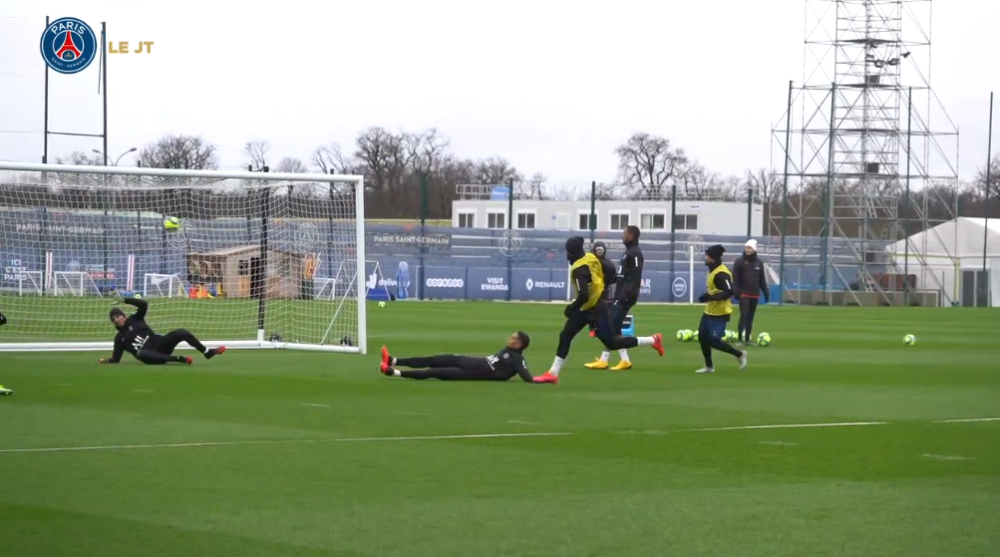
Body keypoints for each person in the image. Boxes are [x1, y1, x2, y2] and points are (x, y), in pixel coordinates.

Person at [534, 236, 662, 385]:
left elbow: (583, 295)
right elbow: (608, 273)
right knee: (572, 336)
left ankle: (653, 340)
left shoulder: (579, 269)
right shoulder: (591, 257)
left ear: (572, 253)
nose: (567, 255)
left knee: (605, 341)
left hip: (588, 308)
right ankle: (553, 373)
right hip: (597, 305)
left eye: (568, 252)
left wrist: (570, 308)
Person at [98, 293, 225, 365]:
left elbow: (144, 304)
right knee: (141, 353)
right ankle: (179, 359)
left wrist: (125, 300)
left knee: (182, 333)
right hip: (149, 356)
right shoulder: (119, 339)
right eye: (114, 319)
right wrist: (107, 361)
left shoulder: (135, 319)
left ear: (124, 316)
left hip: (160, 344)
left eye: (118, 316)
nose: (116, 320)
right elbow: (116, 359)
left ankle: (207, 352)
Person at [586, 226, 644, 371]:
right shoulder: (629, 252)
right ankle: (618, 360)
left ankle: (651, 341)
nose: (623, 235)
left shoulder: (635, 253)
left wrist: (624, 296)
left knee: (611, 326)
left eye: (625, 233)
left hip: (625, 297)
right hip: (621, 295)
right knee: (613, 327)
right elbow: (623, 277)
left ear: (631, 235)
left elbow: (635, 277)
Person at [379, 332, 535, 382]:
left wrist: (547, 378)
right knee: (433, 360)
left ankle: (394, 372)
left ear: (519, 344)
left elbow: (527, 377)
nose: (510, 338)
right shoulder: (507, 351)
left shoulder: (517, 359)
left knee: (433, 372)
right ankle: (393, 361)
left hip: (471, 373)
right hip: (465, 361)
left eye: (513, 338)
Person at [696, 245, 747, 374]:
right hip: (710, 311)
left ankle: (740, 354)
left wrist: (710, 297)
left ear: (712, 258)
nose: (705, 257)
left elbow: (730, 291)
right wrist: (709, 297)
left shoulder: (721, 274)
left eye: (707, 256)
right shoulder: (713, 270)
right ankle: (709, 366)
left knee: (714, 340)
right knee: (702, 337)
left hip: (720, 313)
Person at [732, 239, 770, 345]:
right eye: (746, 248)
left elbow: (762, 280)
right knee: (744, 315)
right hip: (744, 293)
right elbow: (735, 278)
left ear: (754, 249)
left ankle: (748, 339)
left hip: (754, 294)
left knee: (750, 317)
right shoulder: (739, 261)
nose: (748, 250)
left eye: (750, 248)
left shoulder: (759, 263)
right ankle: (740, 339)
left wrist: (766, 292)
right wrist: (736, 291)